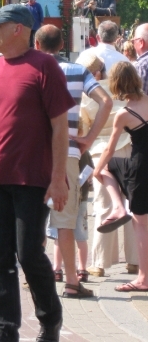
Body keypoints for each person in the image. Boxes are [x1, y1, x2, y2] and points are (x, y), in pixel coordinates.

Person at [0, 4, 75, 342]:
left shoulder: (44, 65)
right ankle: (5, 329)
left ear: (18, 29)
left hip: (32, 178)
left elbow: (60, 127)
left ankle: (50, 322)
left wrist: (57, 176)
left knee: (30, 254)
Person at [35, 24, 112, 299]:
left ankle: (33, 277)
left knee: (34, 219)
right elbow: (105, 101)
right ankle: (71, 282)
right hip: (67, 152)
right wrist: (89, 138)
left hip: (35, 153)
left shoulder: (32, 69)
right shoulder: (78, 71)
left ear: (37, 44)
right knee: (65, 221)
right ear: (61, 44)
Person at [77, 52, 138, 278]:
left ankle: (100, 263)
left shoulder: (88, 96)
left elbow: (82, 128)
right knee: (133, 203)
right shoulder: (123, 91)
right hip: (130, 147)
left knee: (104, 205)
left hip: (100, 151)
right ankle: (135, 260)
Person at [92, 62, 148, 292]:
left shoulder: (124, 114)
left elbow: (109, 149)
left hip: (140, 167)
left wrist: (96, 170)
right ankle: (118, 207)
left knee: (141, 224)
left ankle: (143, 279)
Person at [132, 23, 148, 94]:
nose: (133, 44)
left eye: (133, 41)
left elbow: (138, 98)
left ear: (141, 42)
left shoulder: (141, 66)